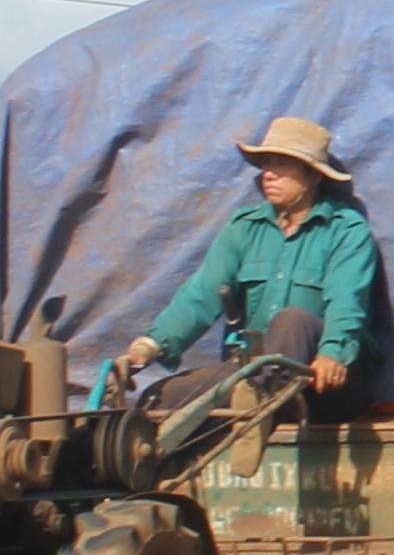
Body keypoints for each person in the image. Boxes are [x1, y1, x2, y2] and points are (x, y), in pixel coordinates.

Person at [120, 115, 380, 410]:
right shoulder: (244, 227)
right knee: (158, 398)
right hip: (256, 374)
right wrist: (150, 346)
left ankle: (260, 410)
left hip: (327, 381)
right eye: (266, 164)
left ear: (313, 176)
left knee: (292, 320)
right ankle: (258, 407)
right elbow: (200, 295)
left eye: (282, 165)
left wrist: (332, 353)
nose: (268, 174)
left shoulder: (345, 229)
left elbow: (347, 302)